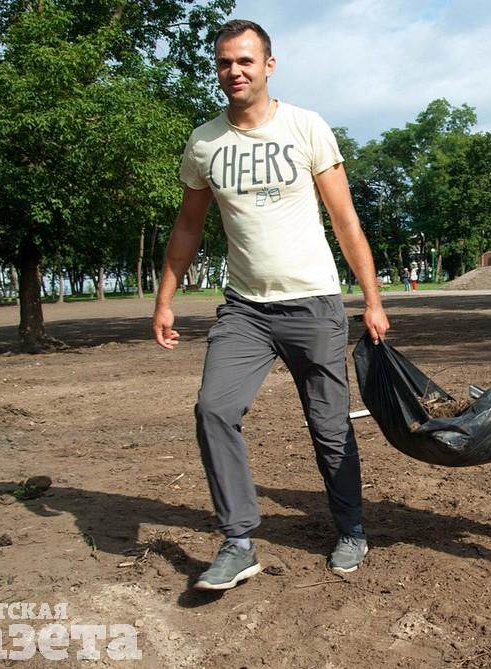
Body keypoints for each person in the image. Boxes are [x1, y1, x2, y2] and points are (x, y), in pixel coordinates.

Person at [152, 19, 389, 590]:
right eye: (224, 62)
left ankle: (351, 528)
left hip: (313, 305)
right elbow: (188, 226)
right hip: (245, 310)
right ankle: (238, 541)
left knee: (328, 426)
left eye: (245, 61)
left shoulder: (306, 127)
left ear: (268, 66)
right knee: (213, 409)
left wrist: (372, 300)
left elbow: (345, 220)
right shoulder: (205, 142)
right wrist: (164, 299)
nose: (234, 71)